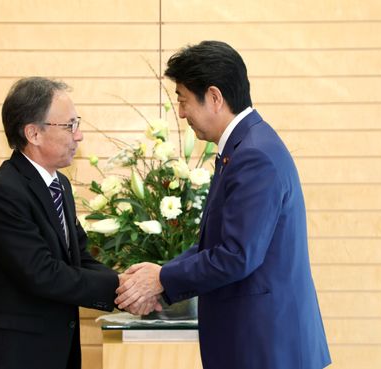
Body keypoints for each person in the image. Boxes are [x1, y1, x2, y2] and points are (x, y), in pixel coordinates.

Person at [116, 41, 331, 369]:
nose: (182, 113)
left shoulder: (254, 155)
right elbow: (214, 245)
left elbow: (236, 255)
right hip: (258, 342)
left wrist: (162, 279)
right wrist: (162, 276)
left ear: (214, 97)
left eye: (184, 100)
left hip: (265, 347)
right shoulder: (245, 147)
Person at [0, 77, 121, 369]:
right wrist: (121, 287)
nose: (79, 135)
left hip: (52, 353)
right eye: (70, 125)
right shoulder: (4, 192)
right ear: (33, 133)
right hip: (9, 357)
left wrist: (128, 287)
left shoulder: (60, 186)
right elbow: (42, 273)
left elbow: (79, 259)